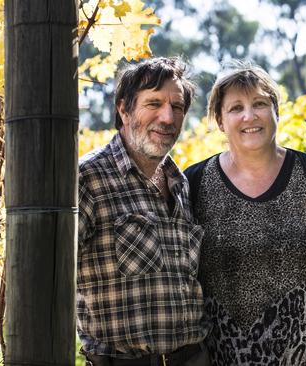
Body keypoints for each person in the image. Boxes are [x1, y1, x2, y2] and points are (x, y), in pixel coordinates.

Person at [184, 61, 306, 365]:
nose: (249, 116)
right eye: (236, 108)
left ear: (276, 111)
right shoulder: (193, 185)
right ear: (220, 120)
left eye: (260, 103)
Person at [77, 57, 210, 366]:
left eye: (177, 107)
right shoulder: (87, 178)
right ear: (124, 109)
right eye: (154, 103)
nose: (167, 117)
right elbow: (45, 284)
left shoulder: (182, 184)